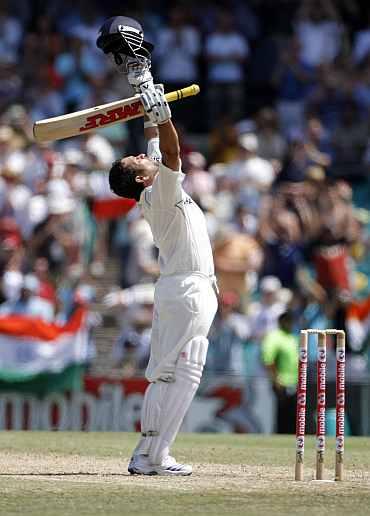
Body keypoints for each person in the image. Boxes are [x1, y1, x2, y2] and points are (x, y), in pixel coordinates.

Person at [107, 52, 218, 475]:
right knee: (186, 368)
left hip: (181, 287)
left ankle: (147, 454)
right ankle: (156, 456)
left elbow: (155, 137)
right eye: (134, 161)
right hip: (189, 288)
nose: (140, 156)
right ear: (140, 178)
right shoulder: (162, 191)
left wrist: (144, 84)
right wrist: (165, 116)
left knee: (167, 373)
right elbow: (170, 150)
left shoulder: (155, 193)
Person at [261, 310, 298, 434]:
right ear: (281, 322)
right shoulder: (274, 336)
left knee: (293, 418)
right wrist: (275, 379)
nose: (290, 324)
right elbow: (268, 360)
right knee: (281, 417)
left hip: (295, 383)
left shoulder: (293, 337)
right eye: (288, 321)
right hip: (281, 383)